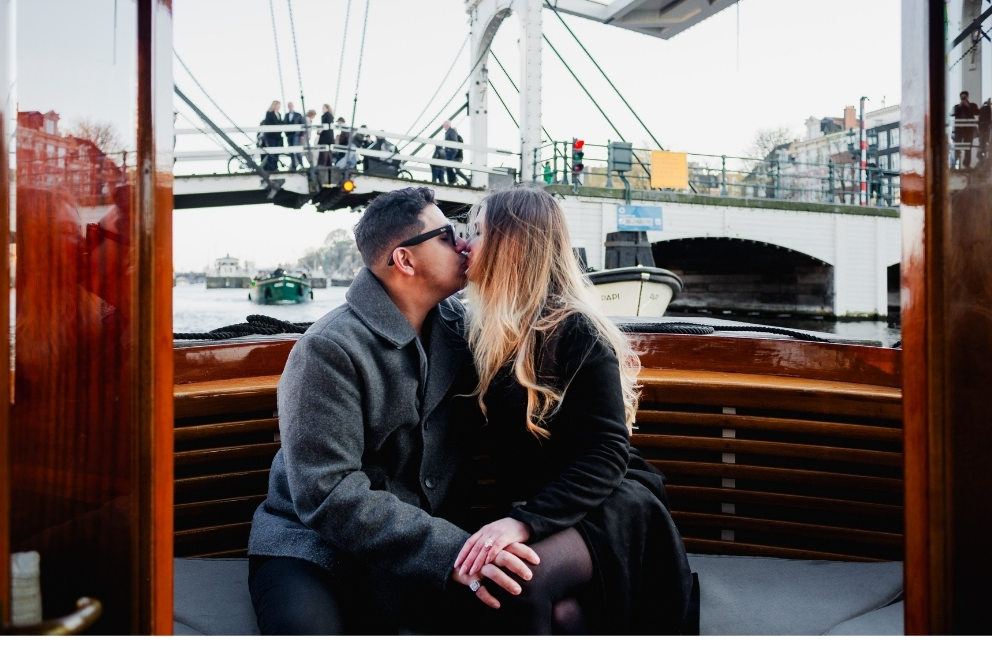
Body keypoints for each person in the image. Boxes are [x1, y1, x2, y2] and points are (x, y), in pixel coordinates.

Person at [247, 187, 538, 634]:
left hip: (433, 544)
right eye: (447, 236)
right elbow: (328, 494)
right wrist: (453, 553)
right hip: (316, 548)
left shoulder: (463, 331)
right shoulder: (328, 349)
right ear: (405, 260)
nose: (464, 244)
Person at [440, 186, 696, 635]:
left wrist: (522, 522)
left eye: (477, 232)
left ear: (511, 246)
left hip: (609, 504)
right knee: (556, 614)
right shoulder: (480, 331)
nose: (464, 244)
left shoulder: (576, 330)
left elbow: (606, 455)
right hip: (545, 506)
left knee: (520, 582)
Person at [952, 90, 980, 168]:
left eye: (964, 97)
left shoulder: (972, 105)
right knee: (957, 147)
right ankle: (955, 164)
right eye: (962, 97)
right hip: (959, 130)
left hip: (968, 130)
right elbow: (953, 113)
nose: (963, 99)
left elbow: (977, 112)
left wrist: (968, 106)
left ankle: (966, 164)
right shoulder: (957, 107)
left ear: (967, 97)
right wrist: (960, 106)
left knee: (968, 148)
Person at [259, 101, 284, 173]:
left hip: (278, 136)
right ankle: (270, 167)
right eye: (278, 105)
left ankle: (275, 166)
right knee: (271, 152)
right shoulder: (269, 113)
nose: (279, 107)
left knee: (277, 152)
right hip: (271, 136)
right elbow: (268, 123)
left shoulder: (279, 114)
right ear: (274, 105)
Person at [285, 101, 306, 170]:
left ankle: (301, 164)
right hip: (289, 135)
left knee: (297, 150)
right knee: (291, 151)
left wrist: (302, 134)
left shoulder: (298, 115)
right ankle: (293, 165)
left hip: (296, 134)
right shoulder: (286, 115)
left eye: (291, 105)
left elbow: (302, 124)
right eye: (289, 106)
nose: (290, 107)